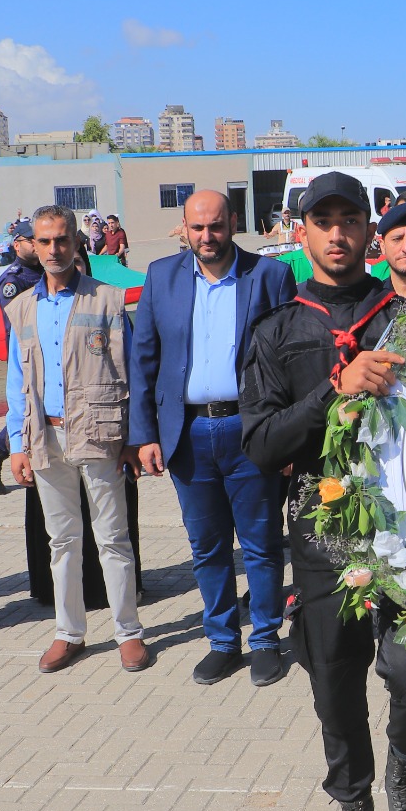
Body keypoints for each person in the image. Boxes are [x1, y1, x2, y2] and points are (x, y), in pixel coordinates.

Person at [240, 171, 406, 811]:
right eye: (320, 220)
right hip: (323, 528)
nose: (335, 233)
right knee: (334, 683)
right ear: (300, 233)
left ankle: (405, 765)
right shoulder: (279, 329)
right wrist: (335, 386)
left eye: (349, 218)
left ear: (369, 230)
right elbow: (262, 444)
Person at [130, 191, 295, 686]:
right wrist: (144, 435)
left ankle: (265, 639)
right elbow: (144, 360)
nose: (207, 237)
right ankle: (223, 641)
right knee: (207, 547)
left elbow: (290, 356)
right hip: (188, 433)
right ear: (184, 228)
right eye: (198, 228)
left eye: (217, 227)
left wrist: (288, 436)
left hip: (252, 430)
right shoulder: (162, 277)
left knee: (262, 544)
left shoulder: (270, 276)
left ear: (233, 224)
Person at [5, 205, 149, 675]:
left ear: (76, 242)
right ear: (32, 244)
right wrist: (16, 443)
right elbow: (14, 380)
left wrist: (133, 438)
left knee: (112, 538)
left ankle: (128, 632)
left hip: (99, 434)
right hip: (45, 436)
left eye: (62, 240)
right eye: (44, 241)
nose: (53, 250)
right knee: (61, 540)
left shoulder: (107, 300)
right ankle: (69, 632)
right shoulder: (22, 307)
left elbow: (133, 373)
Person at [0, 223, 42, 495]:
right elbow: (20, 320)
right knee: (25, 414)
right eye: (31, 240)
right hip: (26, 358)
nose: (37, 245)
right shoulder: (13, 280)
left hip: (50, 355)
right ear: (17, 244)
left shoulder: (48, 272)